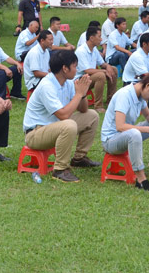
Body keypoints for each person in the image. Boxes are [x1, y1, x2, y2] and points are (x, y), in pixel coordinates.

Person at [23, 50, 100, 183]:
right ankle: (60, 170)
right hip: (35, 133)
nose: (77, 70)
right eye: (75, 66)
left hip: (55, 126)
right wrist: (78, 94)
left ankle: (79, 158)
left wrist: (82, 94)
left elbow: (83, 109)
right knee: (69, 124)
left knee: (92, 115)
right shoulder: (47, 85)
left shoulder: (67, 82)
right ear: (65, 68)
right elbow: (63, 115)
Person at [102, 71, 149, 192]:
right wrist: (148, 129)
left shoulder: (140, 95)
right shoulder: (125, 95)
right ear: (148, 85)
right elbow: (120, 126)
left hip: (125, 135)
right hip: (110, 141)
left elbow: (148, 115)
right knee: (134, 133)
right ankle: (141, 179)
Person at [75, 27, 117, 110]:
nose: (101, 39)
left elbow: (102, 63)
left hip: (88, 77)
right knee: (100, 75)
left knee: (113, 69)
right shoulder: (81, 51)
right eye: (99, 36)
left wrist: (108, 66)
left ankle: (110, 100)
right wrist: (104, 71)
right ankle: (98, 106)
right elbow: (87, 70)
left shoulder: (94, 49)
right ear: (91, 38)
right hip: (79, 81)